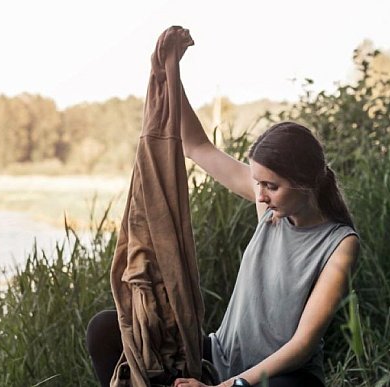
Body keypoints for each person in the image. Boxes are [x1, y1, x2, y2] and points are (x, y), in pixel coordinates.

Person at [87, 27, 360, 387]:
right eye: (258, 182)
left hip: (281, 377)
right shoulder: (271, 210)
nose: (259, 194)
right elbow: (197, 146)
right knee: (106, 328)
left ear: (305, 182)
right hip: (219, 358)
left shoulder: (340, 244)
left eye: (270, 186)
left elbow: (303, 343)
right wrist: (171, 72)